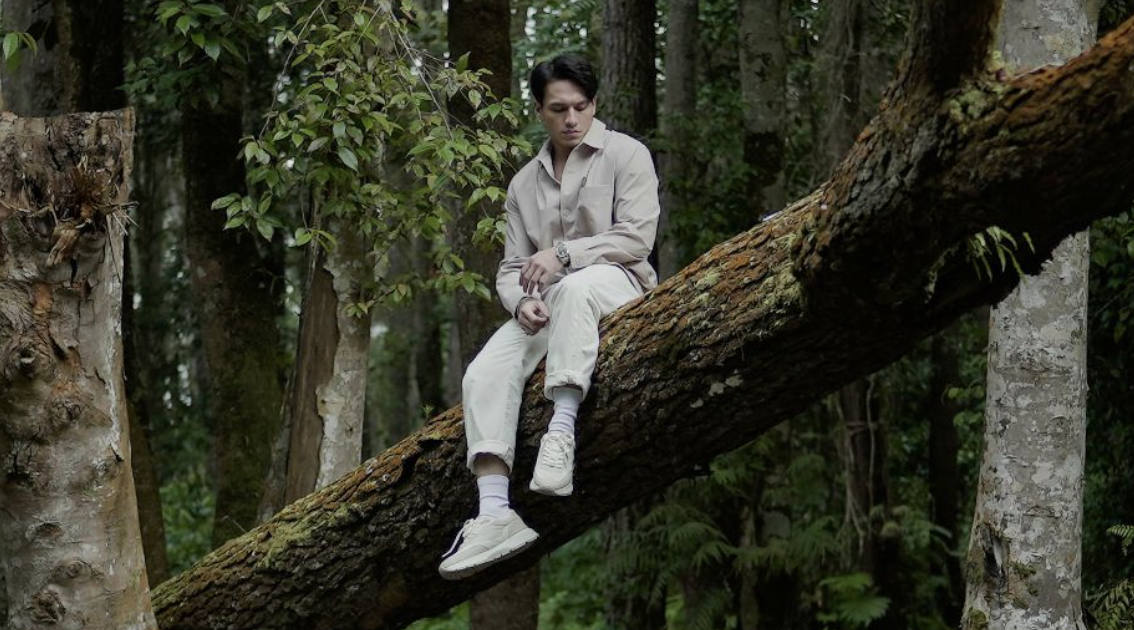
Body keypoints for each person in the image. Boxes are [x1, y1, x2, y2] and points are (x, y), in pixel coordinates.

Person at [438, 53, 660, 580]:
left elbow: (637, 237)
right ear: (538, 110)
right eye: (558, 108)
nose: (571, 119)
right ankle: (494, 512)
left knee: (579, 287)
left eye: (581, 107)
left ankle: (562, 429)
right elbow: (512, 268)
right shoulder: (521, 186)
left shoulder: (627, 155)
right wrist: (521, 301)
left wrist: (562, 255)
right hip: (550, 304)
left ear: (594, 104)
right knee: (484, 371)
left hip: (615, 283)